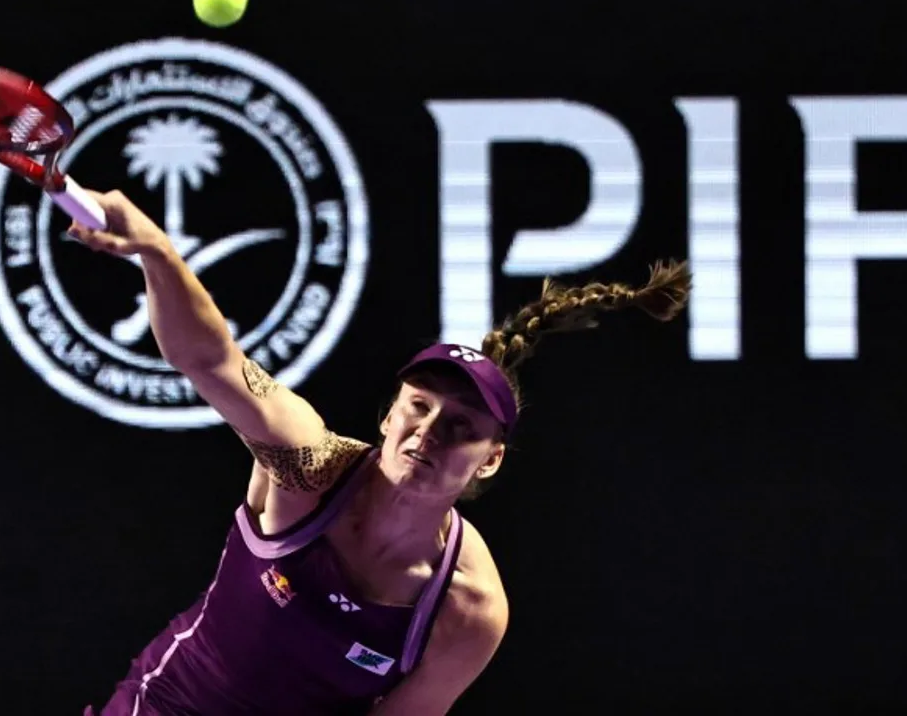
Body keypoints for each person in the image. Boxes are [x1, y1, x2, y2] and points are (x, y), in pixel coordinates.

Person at [74, 190, 691, 715]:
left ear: (490, 459)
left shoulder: (467, 608)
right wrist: (157, 250)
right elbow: (211, 360)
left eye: (460, 426)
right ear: (391, 413)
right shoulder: (308, 470)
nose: (427, 432)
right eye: (419, 407)